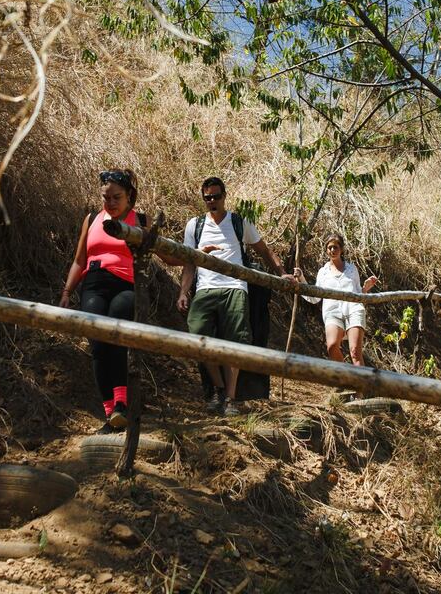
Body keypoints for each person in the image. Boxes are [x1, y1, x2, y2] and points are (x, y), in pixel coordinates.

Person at [178, 177, 295, 417]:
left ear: (224, 196)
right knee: (197, 335)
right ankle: (218, 388)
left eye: (216, 196)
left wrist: (282, 274)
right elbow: (189, 263)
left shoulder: (240, 222)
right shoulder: (195, 225)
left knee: (236, 343)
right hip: (205, 289)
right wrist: (182, 292)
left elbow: (264, 250)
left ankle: (230, 398)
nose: (212, 201)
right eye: (208, 197)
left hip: (235, 287)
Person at [58, 169, 149, 434]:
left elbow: (162, 251)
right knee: (97, 340)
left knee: (116, 326)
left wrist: (193, 255)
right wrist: (66, 292)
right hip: (94, 283)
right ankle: (110, 413)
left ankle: (122, 402)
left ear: (129, 196)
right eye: (105, 197)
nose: (109, 203)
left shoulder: (140, 220)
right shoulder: (92, 219)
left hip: (126, 284)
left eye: (116, 197)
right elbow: (79, 260)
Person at [294, 233, 379, 368]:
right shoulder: (323, 272)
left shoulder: (351, 269)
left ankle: (361, 387)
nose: (332, 250)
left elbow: (358, 295)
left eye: (336, 247)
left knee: (355, 352)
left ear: (342, 249)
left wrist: (366, 288)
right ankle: (347, 377)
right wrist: (302, 279)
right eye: (330, 248)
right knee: (332, 346)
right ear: (326, 250)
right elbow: (314, 298)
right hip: (332, 312)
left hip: (354, 310)